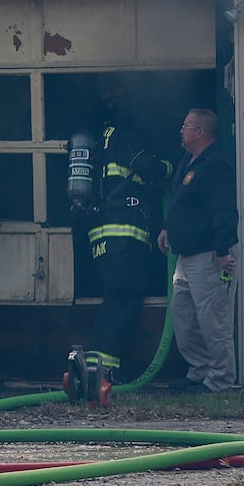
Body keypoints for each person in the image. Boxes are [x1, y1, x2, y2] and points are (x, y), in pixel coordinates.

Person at [71, 120, 172, 394]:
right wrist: (169, 166)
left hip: (102, 236)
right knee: (123, 298)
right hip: (123, 236)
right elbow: (147, 168)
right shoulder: (127, 135)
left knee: (116, 298)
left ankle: (96, 369)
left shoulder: (98, 142)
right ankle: (103, 371)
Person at [157, 107, 241, 394]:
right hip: (184, 256)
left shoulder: (215, 164)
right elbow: (182, 201)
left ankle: (219, 380)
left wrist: (222, 250)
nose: (181, 130)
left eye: (186, 126)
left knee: (213, 321)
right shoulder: (189, 161)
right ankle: (199, 371)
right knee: (183, 318)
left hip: (208, 256)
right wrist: (168, 227)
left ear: (200, 132)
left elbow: (224, 211)